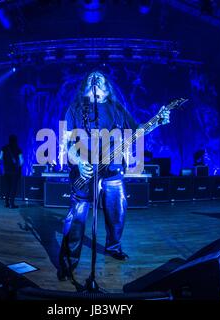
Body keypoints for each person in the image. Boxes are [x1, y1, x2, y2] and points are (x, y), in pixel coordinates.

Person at [57, 70, 170, 281]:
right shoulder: (74, 109)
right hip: (85, 171)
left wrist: (157, 122)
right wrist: (79, 162)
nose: (95, 77)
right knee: (77, 218)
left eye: (100, 77)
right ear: (85, 86)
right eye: (91, 76)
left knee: (117, 212)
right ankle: (68, 262)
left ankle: (113, 247)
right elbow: (67, 143)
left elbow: (138, 131)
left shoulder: (117, 109)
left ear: (108, 87)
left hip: (113, 170)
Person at [0, 135, 23, 208]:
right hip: (14, 172)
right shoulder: (18, 149)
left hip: (6, 171)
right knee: (13, 188)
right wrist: (18, 166)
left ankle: (6, 203)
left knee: (7, 187)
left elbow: (0, 157)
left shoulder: (4, 148)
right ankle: (12, 204)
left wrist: (6, 162)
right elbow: (22, 161)